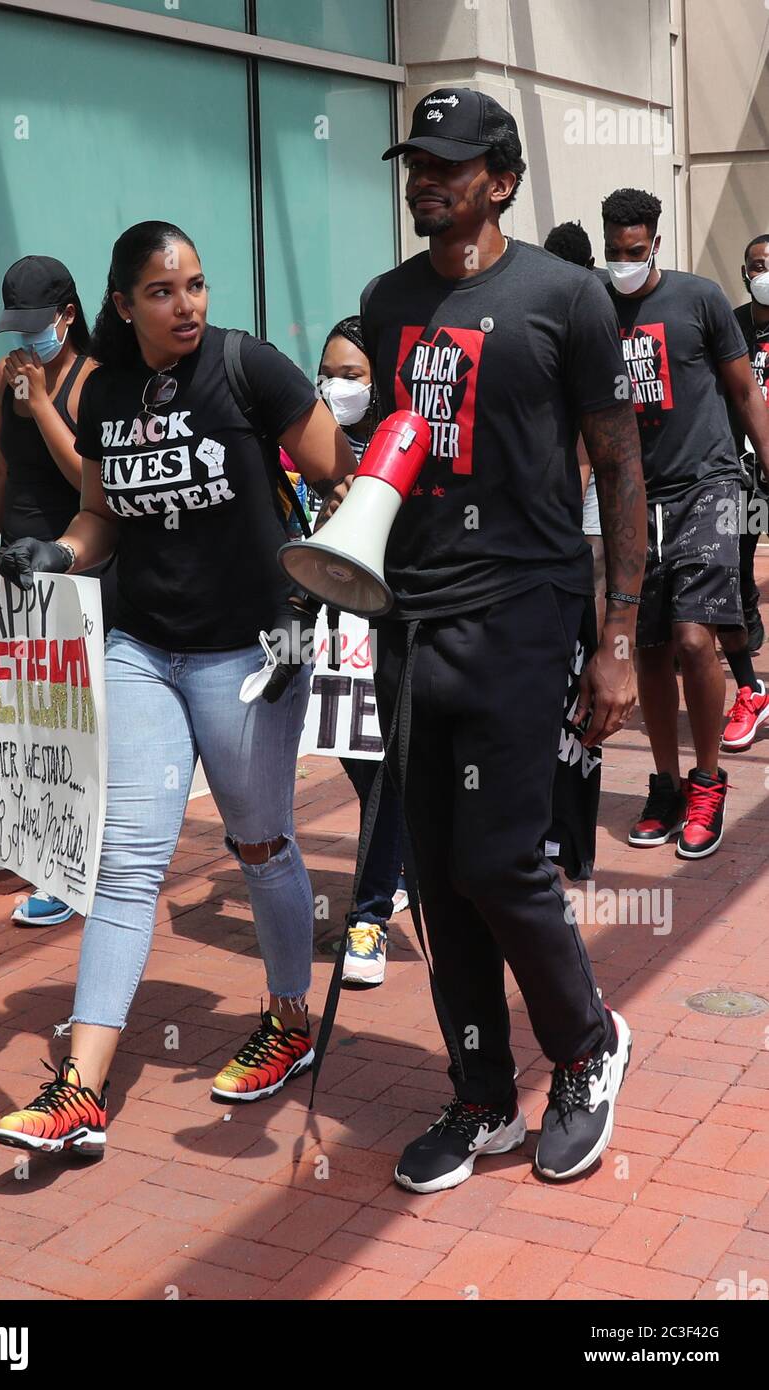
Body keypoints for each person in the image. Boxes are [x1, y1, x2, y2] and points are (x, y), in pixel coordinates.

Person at [0, 220, 356, 1156]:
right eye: (162, 291)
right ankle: (81, 1092)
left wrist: (324, 589)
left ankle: (287, 1020)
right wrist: (56, 554)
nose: (186, 303)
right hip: (145, 648)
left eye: (194, 284)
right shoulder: (108, 392)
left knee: (261, 844)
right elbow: (101, 519)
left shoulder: (249, 368)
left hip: (249, 652)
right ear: (123, 304)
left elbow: (338, 474)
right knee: (126, 864)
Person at [357, 87, 645, 1192]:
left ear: (502, 179)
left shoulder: (566, 298)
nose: (425, 176)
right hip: (410, 622)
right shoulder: (387, 303)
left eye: (449, 161)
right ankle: (481, 1092)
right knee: (435, 873)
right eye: (415, 160)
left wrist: (615, 635)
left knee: (500, 861)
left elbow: (619, 470)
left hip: (523, 614)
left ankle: (585, 1047)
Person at [601, 190, 769, 856]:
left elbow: (745, 390)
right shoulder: (595, 308)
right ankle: (666, 785)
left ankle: (707, 781)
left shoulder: (698, 301)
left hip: (709, 483)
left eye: (635, 252)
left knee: (696, 638)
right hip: (636, 494)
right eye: (613, 252)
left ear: (657, 245)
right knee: (647, 648)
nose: (623, 264)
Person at [0, 255, 115, 929]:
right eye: (17, 328)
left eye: (38, 326)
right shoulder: (6, 376)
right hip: (14, 571)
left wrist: (42, 408)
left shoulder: (92, 380)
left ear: (66, 316)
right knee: (28, 725)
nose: (26, 342)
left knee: (73, 728)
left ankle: (69, 869)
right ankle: (50, 853)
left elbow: (89, 484)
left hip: (74, 568)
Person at [317, 316, 407, 987]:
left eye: (350, 376)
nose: (334, 386)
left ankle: (369, 917)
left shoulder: (391, 441)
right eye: (327, 372)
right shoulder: (308, 438)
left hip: (383, 620)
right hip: (319, 622)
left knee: (383, 772)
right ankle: (400, 863)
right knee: (359, 761)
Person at [718, 233, 769, 751]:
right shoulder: (730, 325)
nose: (764, 273)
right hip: (744, 471)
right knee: (736, 557)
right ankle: (751, 678)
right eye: (757, 265)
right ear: (744, 272)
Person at [545, 222, 607, 633]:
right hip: (549, 470)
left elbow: (592, 416)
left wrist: (580, 482)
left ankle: (596, 661)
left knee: (594, 567)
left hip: (587, 471)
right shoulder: (538, 309)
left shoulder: (596, 311)